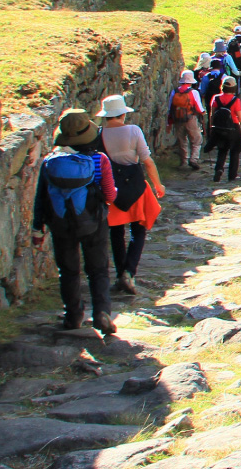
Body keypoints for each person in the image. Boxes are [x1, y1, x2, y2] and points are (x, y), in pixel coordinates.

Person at [31, 110, 118, 335]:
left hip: (60, 224)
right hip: (94, 222)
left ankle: (73, 316)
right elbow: (109, 195)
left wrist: (37, 228)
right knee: (98, 269)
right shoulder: (100, 160)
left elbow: (41, 196)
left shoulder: (50, 162)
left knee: (68, 270)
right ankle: (102, 313)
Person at [97, 94, 165, 296]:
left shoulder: (99, 135)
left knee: (116, 233)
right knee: (139, 230)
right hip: (136, 186)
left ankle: (120, 274)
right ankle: (129, 271)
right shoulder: (133, 131)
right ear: (122, 114)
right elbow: (147, 161)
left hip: (111, 190)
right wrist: (157, 184)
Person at [207, 76, 241, 182]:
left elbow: (212, 114)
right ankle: (232, 175)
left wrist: (211, 127)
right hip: (233, 127)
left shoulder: (216, 98)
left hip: (219, 127)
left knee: (222, 150)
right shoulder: (235, 100)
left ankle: (219, 169)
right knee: (235, 151)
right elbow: (239, 116)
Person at [167, 69, 204, 170]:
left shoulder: (174, 92)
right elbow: (200, 108)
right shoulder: (193, 92)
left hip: (177, 119)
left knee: (182, 140)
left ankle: (184, 161)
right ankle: (194, 159)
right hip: (190, 118)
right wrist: (202, 114)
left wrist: (169, 123)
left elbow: (170, 108)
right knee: (196, 139)